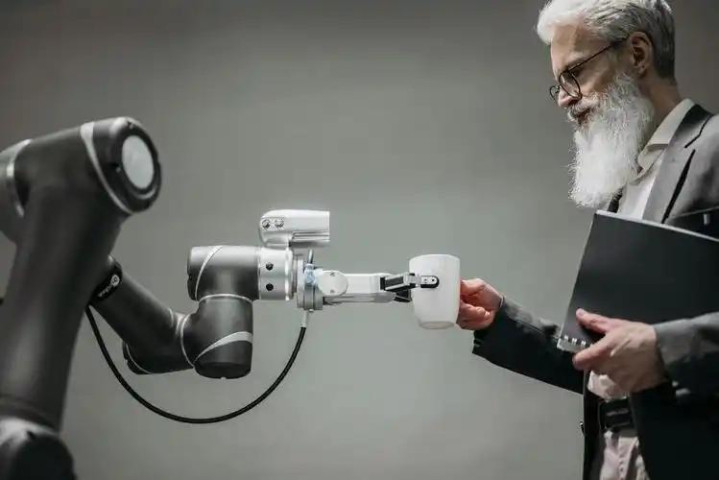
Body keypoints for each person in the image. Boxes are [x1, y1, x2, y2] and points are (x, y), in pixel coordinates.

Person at [457, 1, 719, 480]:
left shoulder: (714, 147)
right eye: (559, 83)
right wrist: (501, 321)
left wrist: (666, 350)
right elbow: (607, 359)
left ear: (637, 53)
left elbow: (649, 351)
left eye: (575, 73)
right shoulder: (625, 187)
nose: (564, 99)